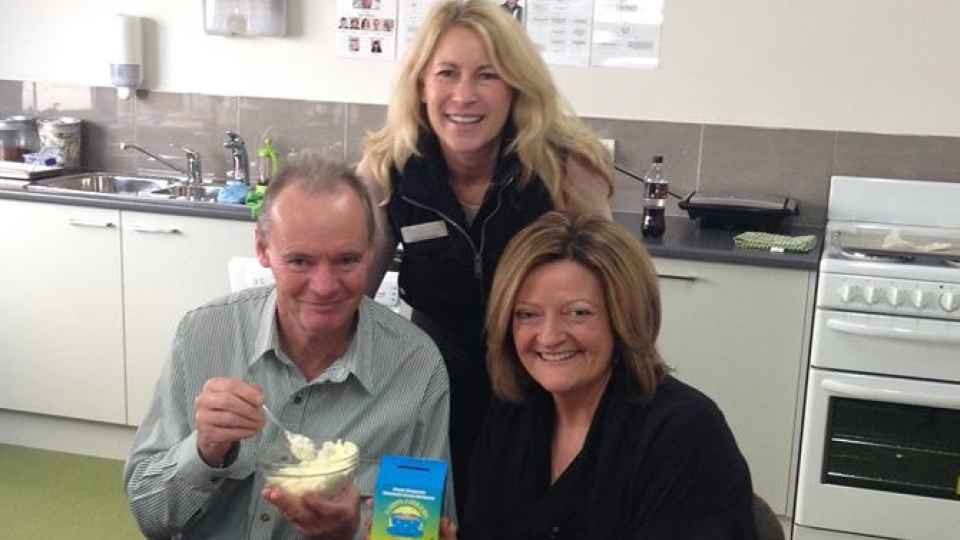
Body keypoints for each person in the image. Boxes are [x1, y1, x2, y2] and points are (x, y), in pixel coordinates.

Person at [358, 0, 613, 513]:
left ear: (516, 86)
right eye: (447, 73)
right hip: (426, 385)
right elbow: (348, 293)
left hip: (540, 384)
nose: (464, 95)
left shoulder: (566, 168)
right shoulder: (387, 167)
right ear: (421, 85)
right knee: (409, 524)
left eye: (488, 75)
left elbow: (616, 298)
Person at [124, 156, 453, 539]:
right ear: (262, 249)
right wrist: (205, 450)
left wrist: (353, 531)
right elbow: (149, 515)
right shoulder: (205, 335)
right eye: (300, 261)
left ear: (370, 251)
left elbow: (419, 530)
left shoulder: (416, 368)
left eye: (346, 260)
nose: (324, 286)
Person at [449, 212, 757, 539]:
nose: (549, 337)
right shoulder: (512, 412)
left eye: (578, 313)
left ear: (625, 317)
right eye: (527, 315)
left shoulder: (686, 434)